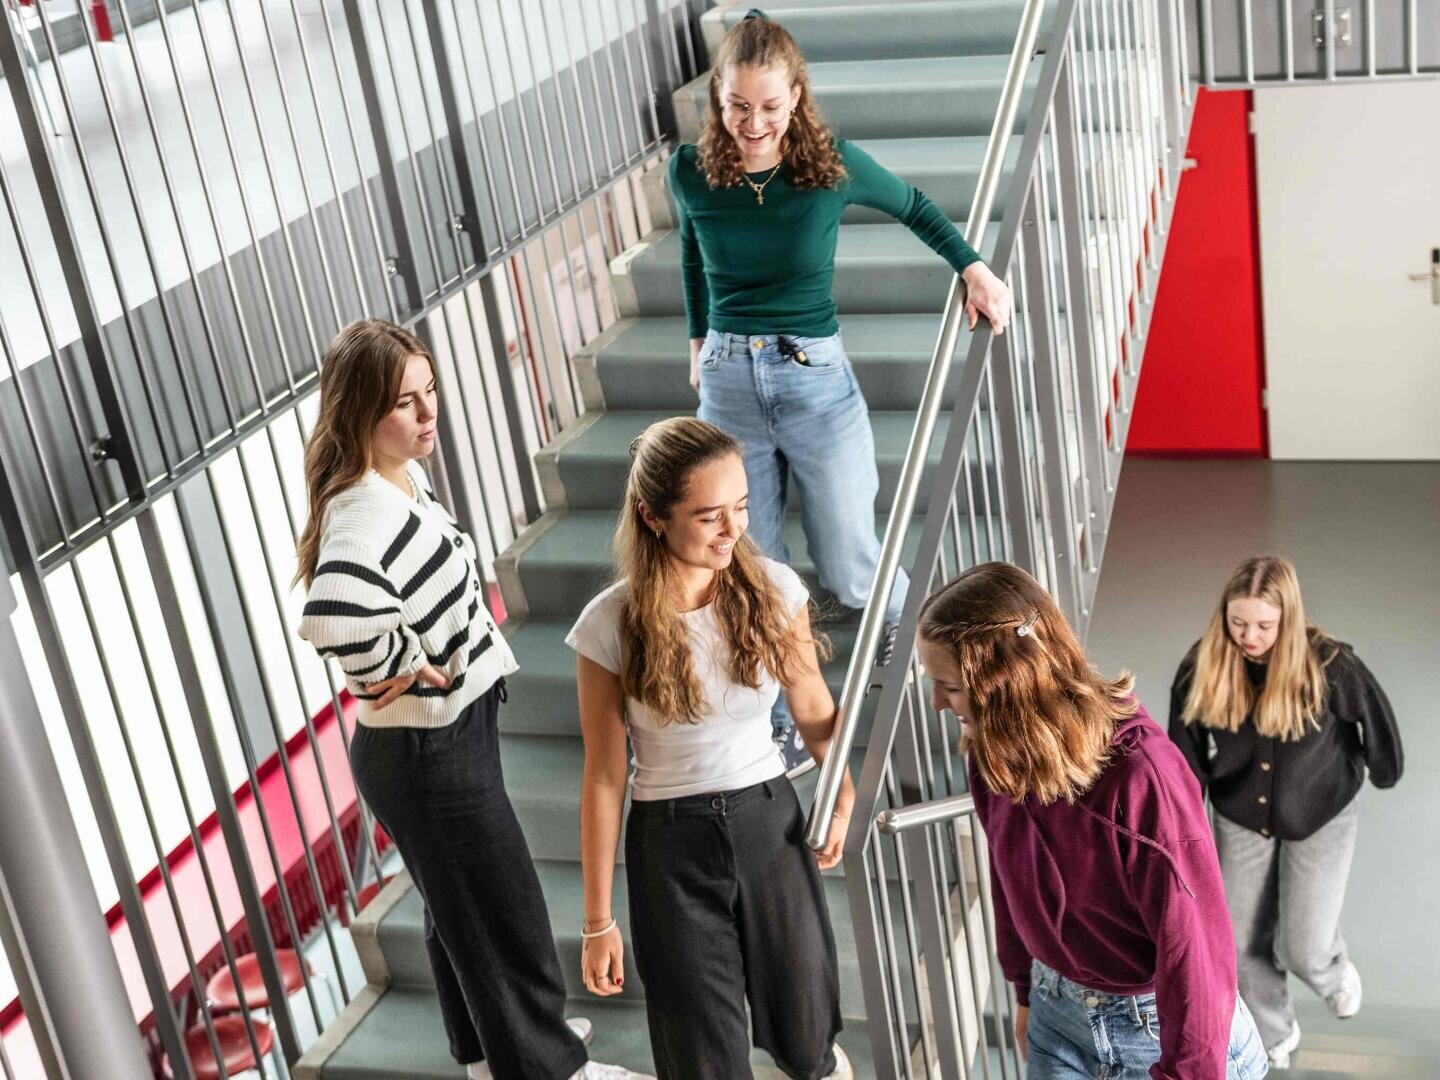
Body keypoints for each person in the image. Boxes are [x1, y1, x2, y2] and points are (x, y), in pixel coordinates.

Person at [296, 320, 638, 1080]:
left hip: (437, 742)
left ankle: (492, 1052)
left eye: (430, 393)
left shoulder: (396, 478)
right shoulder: (363, 510)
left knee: (463, 912)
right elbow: (334, 610)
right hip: (427, 748)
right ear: (360, 414)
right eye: (405, 404)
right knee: (502, 913)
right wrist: (399, 667)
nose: (428, 415)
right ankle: (549, 1066)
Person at [673, 10, 1015, 766]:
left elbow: (917, 206)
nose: (752, 124)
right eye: (737, 107)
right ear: (719, 101)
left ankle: (921, 646)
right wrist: (699, 338)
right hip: (729, 383)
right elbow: (696, 257)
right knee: (749, 566)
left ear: (796, 97)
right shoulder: (690, 169)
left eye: (769, 106)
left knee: (850, 558)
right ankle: (784, 715)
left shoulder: (830, 165)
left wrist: (974, 267)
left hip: (813, 381)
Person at [571, 417, 855, 1080]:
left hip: (769, 825)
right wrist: (596, 921)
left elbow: (816, 714)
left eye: (742, 508)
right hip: (670, 848)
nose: (734, 531)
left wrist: (841, 796)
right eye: (709, 517)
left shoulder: (776, 592)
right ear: (653, 518)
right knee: (704, 1062)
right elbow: (605, 779)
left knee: (808, 1039)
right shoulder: (607, 626)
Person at [915, 562, 1268, 1079]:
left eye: (948, 686)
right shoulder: (990, 752)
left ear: (1005, 681)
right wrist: (1024, 989)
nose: (937, 703)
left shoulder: (1143, 775)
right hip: (1056, 1008)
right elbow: (1009, 874)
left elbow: (1194, 947)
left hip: (1164, 1034)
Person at [1168, 555, 1403, 1071]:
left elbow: (1375, 720)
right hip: (1240, 815)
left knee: (1304, 944)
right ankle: (1274, 1028)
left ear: (1288, 620)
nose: (1249, 636)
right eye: (1238, 623)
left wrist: (1383, 770)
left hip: (1321, 812)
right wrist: (1187, 818)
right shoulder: (1202, 664)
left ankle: (1331, 972)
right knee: (1237, 937)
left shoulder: (1331, 666)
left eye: (1264, 626)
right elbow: (1183, 752)